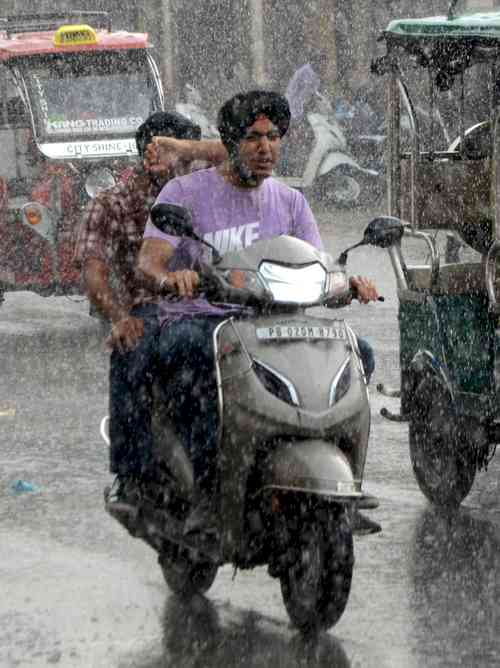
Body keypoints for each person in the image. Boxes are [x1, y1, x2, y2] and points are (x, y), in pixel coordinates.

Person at [138, 90, 379, 534]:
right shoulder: (185, 193)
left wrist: (349, 286)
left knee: (358, 354)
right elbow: (149, 261)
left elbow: (318, 269)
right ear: (230, 143)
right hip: (202, 320)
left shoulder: (290, 202)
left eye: (273, 137)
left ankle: (340, 481)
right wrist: (173, 278)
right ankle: (206, 496)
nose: (265, 148)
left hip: (274, 324)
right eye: (253, 138)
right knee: (199, 367)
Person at [74, 111, 205, 498]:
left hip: (217, 307)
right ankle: (130, 473)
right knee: (131, 349)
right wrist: (118, 317)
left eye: (190, 156)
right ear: (149, 156)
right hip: (154, 311)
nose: (188, 166)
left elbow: (238, 156)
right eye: (176, 155)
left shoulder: (211, 194)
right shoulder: (112, 204)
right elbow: (93, 271)